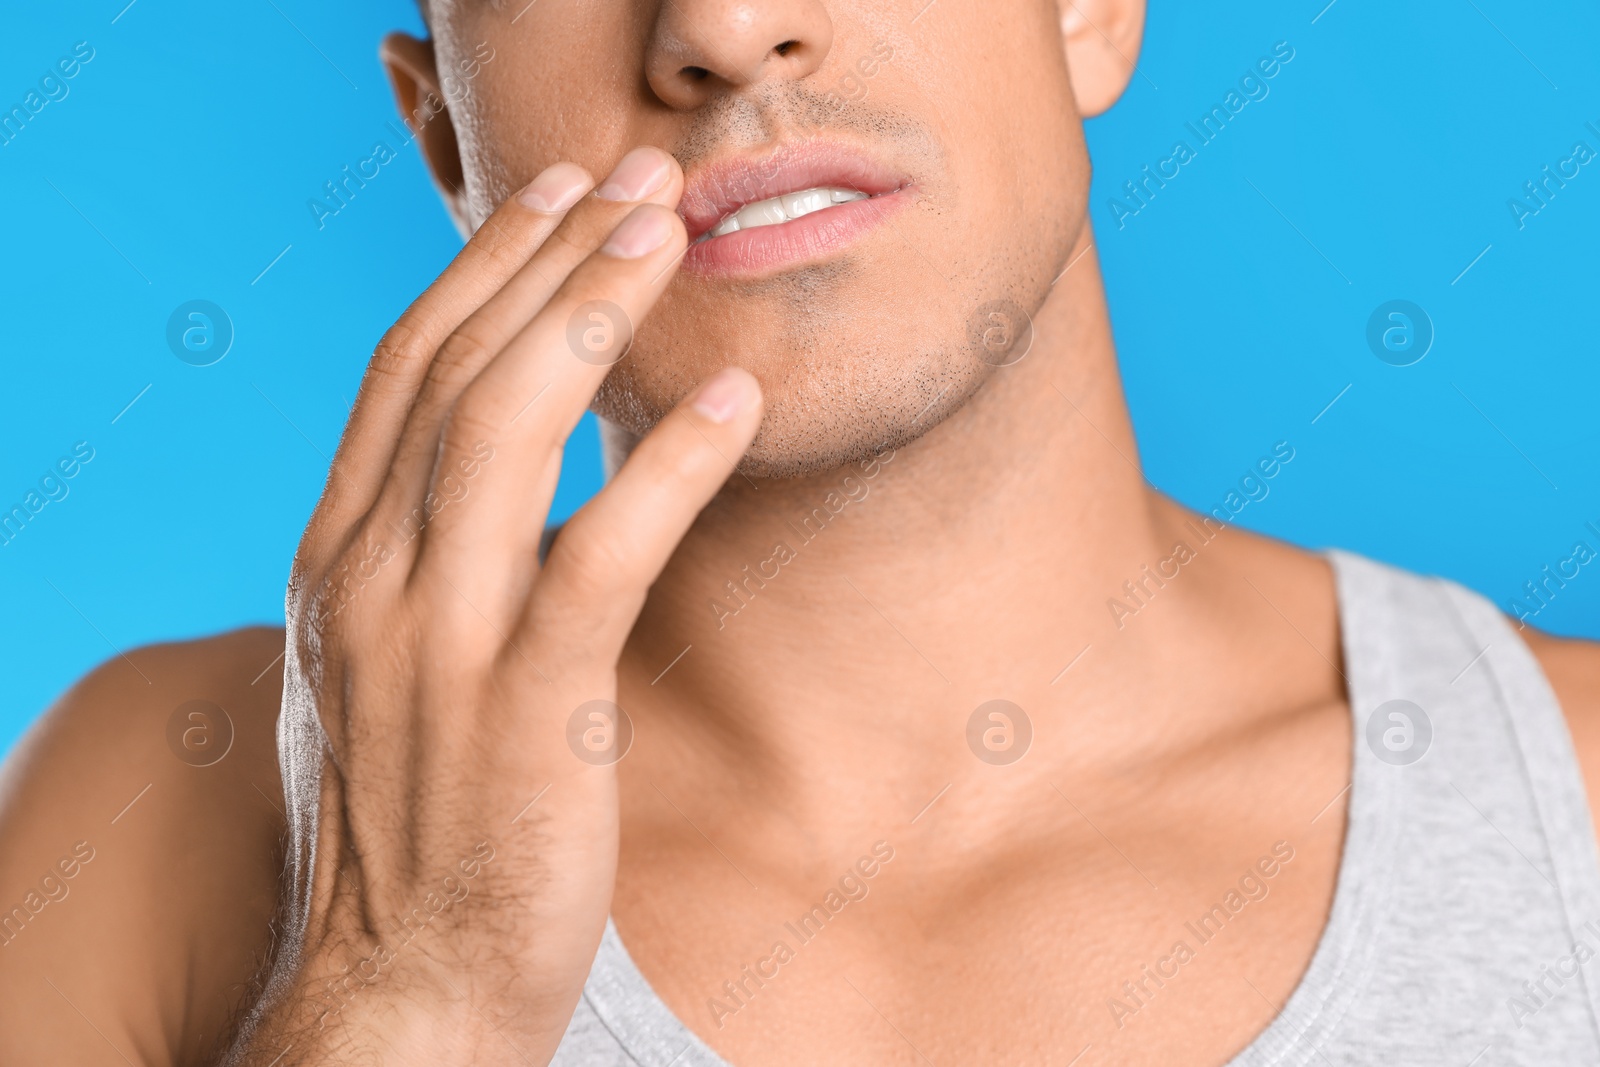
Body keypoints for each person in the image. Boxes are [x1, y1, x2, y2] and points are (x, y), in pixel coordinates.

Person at [3, 1, 1598, 1063]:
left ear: (1089, 7)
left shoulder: (1568, 794)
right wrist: (400, 994)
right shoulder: (166, 811)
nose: (718, 22)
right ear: (443, 140)